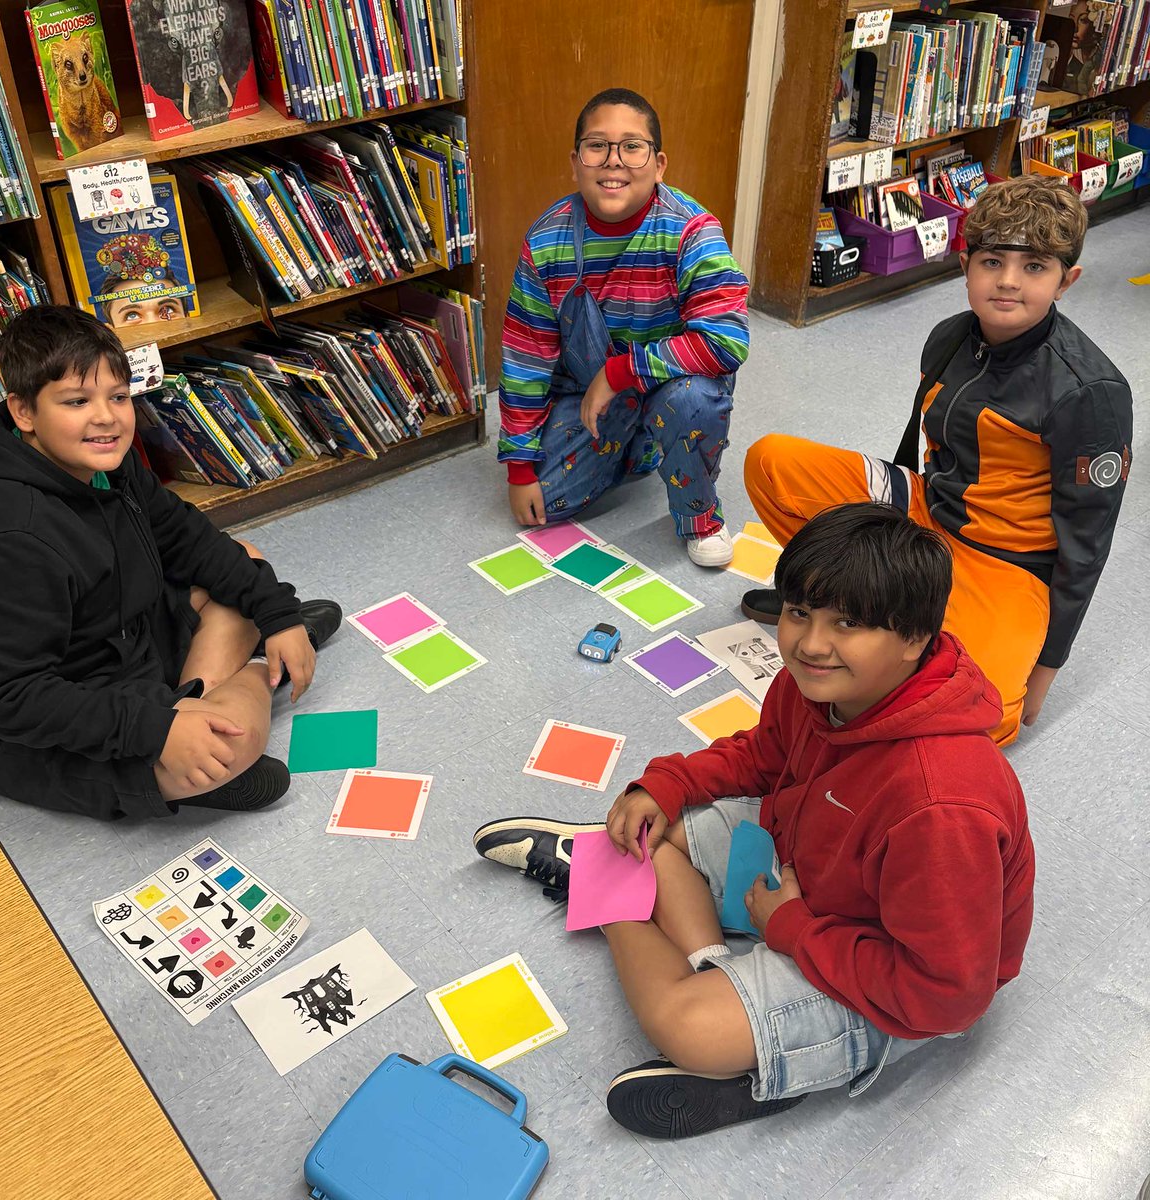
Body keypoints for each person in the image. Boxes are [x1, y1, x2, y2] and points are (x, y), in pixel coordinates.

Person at [473, 503, 1034, 1138]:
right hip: (812, 865)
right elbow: (766, 754)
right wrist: (670, 782)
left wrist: (791, 930)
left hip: (891, 975)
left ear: (913, 638)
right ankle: (707, 958)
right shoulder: (820, 682)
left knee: (686, 1027)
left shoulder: (941, 804)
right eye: (799, 613)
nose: (811, 643)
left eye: (847, 623)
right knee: (650, 833)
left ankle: (607, 899)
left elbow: (949, 994)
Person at [741, 175, 1132, 745]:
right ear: (963, 266)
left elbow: (1088, 541)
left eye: (1034, 267)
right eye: (992, 261)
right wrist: (878, 532)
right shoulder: (948, 335)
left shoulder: (1089, 391)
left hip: (1007, 561)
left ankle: (894, 621)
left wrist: (1048, 665)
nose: (1008, 281)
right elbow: (924, 452)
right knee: (772, 461)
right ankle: (832, 596)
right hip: (925, 509)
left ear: (1066, 281)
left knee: (985, 715)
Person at [0, 306, 341, 820]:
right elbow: (12, 699)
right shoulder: (3, 533)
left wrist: (279, 614)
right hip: (48, 723)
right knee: (231, 749)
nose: (106, 417)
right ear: (24, 412)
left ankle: (205, 708)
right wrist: (156, 728)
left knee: (244, 561)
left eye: (118, 396)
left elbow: (185, 537)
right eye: (76, 401)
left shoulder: (104, 454)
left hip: (124, 639)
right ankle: (255, 679)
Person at [498, 87, 750, 567]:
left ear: (659, 165)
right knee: (543, 503)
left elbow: (727, 340)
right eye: (597, 146)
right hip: (583, 393)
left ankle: (700, 515)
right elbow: (525, 356)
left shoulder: (691, 230)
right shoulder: (545, 240)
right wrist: (519, 465)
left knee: (692, 401)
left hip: (669, 384)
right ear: (576, 163)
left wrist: (620, 373)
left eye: (632, 147)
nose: (614, 162)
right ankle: (637, 446)